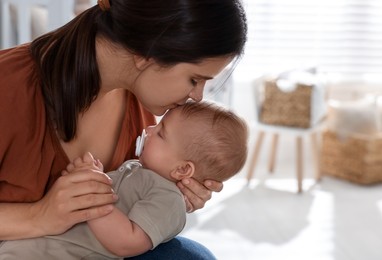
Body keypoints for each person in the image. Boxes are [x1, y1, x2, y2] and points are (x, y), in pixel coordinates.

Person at [0, 0, 247, 258]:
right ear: (146, 54)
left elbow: (125, 219)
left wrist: (166, 193)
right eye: (194, 80)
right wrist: (39, 216)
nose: (197, 96)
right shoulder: (7, 87)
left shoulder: (143, 108)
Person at [0, 101, 248, 259]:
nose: (150, 130)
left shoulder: (169, 199)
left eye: (160, 134)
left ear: (183, 169)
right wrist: (86, 177)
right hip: (35, 242)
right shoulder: (138, 169)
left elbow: (127, 243)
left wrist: (93, 196)